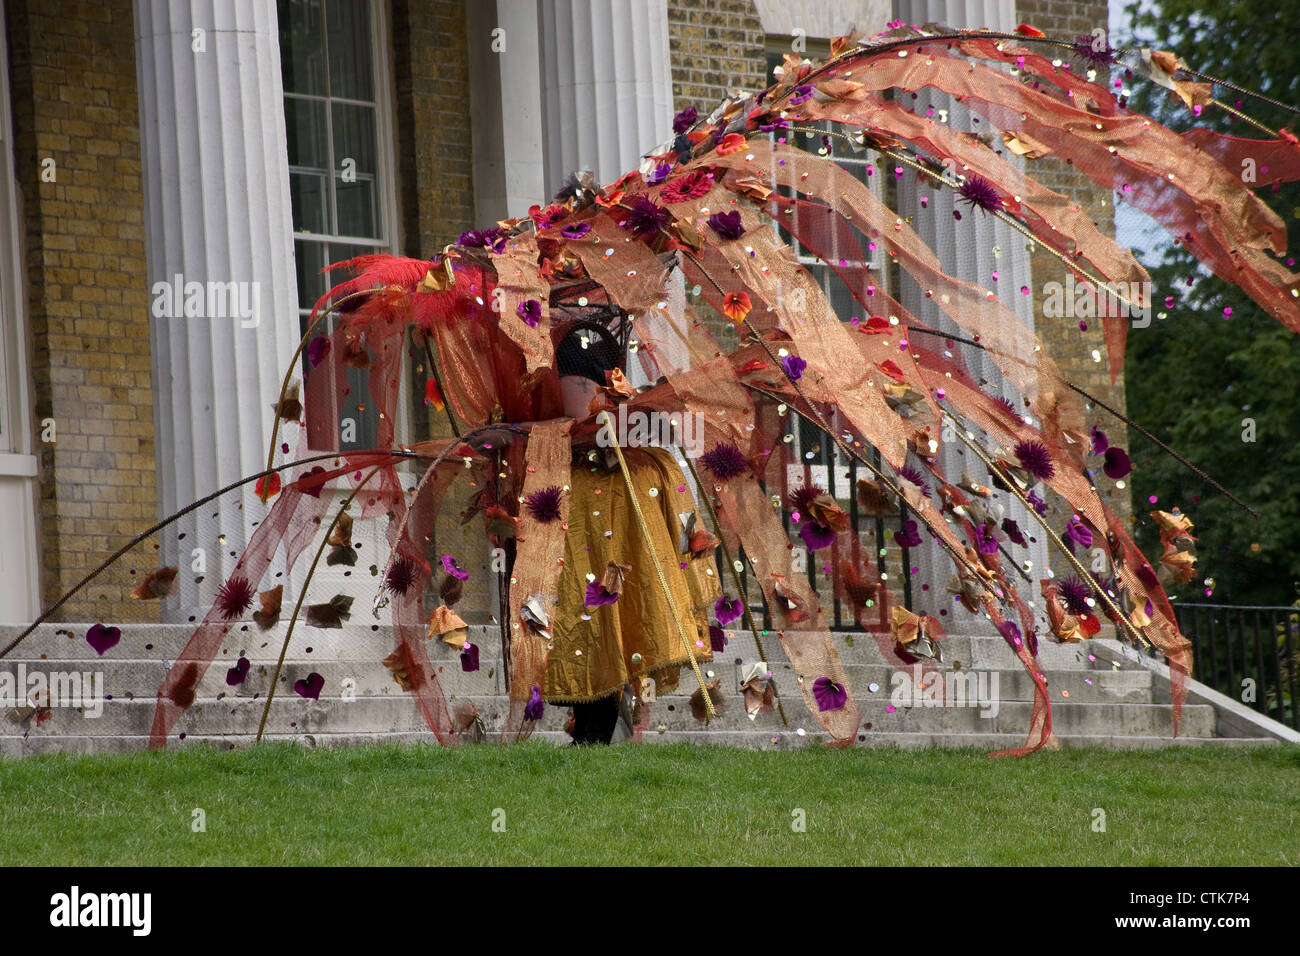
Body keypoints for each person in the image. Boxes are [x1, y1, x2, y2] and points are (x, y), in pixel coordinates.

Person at [545, 325, 720, 744]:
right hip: (582, 517)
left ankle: (594, 731)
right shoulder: (625, 463)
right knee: (585, 617)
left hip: (610, 510)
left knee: (606, 617)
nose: (572, 392)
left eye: (577, 383)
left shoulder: (645, 464)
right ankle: (591, 730)